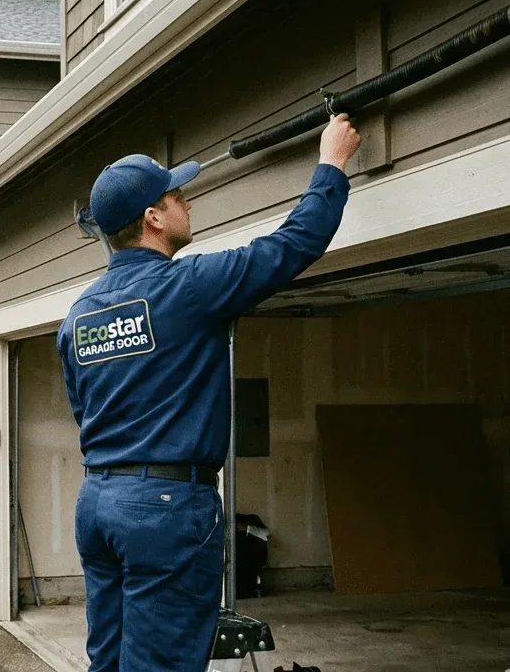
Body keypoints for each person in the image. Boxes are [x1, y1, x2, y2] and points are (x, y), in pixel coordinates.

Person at [56, 114, 361, 672]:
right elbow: (291, 246)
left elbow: (86, 409)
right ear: (152, 217)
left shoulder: (78, 317)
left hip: (98, 502)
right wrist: (332, 164)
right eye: (177, 195)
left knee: (109, 661)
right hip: (166, 510)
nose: (186, 203)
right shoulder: (187, 288)